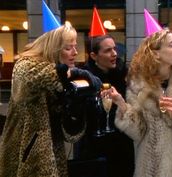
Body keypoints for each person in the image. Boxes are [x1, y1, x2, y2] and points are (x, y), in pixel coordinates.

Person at [101, 28, 172, 177]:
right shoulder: (139, 86)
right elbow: (139, 131)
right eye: (171, 45)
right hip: (151, 169)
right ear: (155, 53)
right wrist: (122, 104)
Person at [0, 24, 102, 177]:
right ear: (53, 48)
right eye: (68, 48)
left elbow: (69, 133)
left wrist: (75, 108)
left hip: (53, 154)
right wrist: (77, 74)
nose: (75, 52)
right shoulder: (26, 66)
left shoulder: (59, 79)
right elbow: (45, 75)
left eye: (75, 47)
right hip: (24, 154)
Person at [79, 34, 134, 177]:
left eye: (114, 49)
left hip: (122, 144)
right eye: (108, 50)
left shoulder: (124, 74)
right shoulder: (85, 79)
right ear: (94, 55)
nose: (114, 53)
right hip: (96, 146)